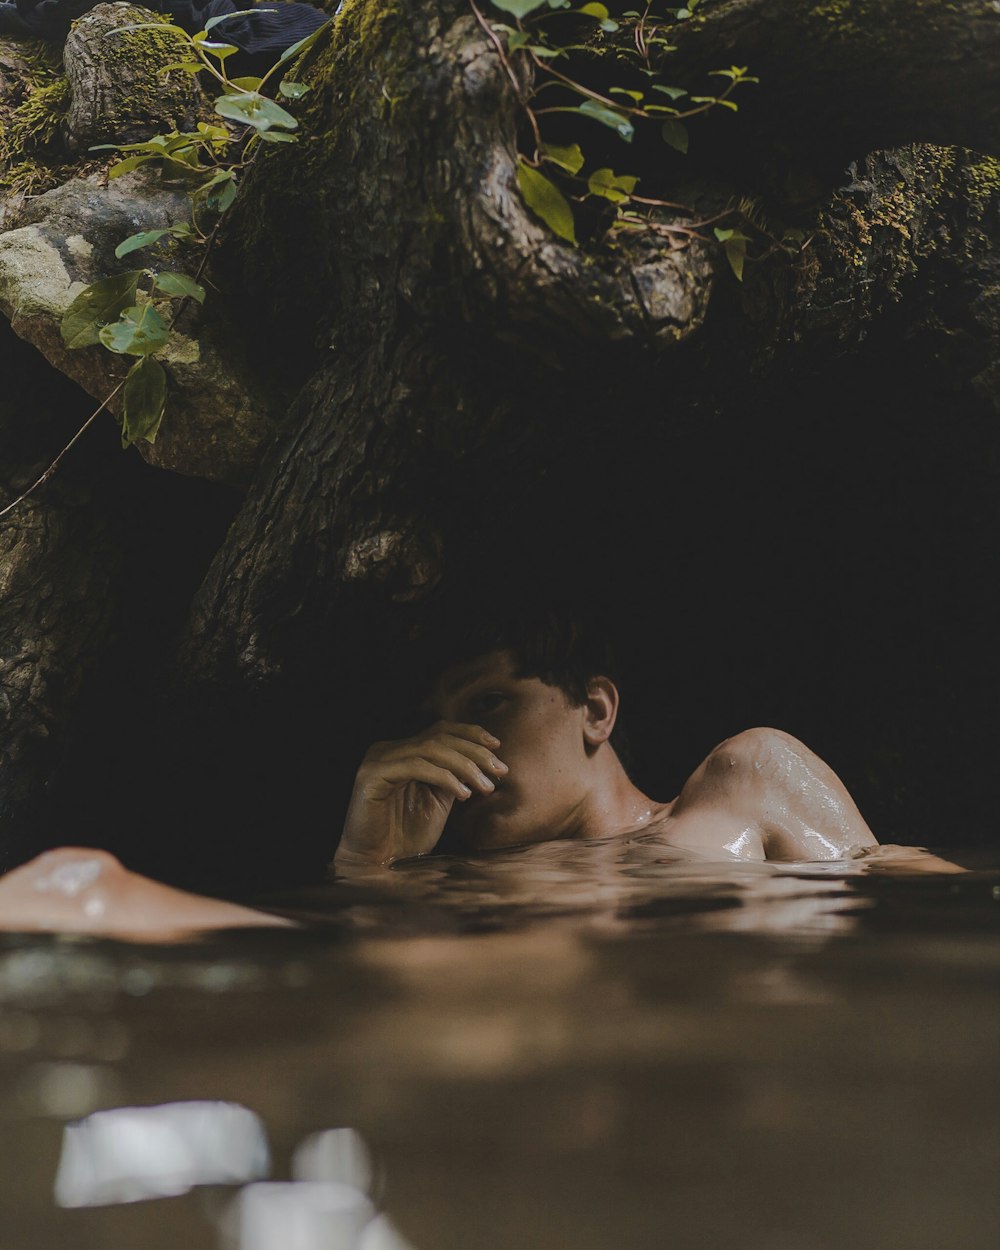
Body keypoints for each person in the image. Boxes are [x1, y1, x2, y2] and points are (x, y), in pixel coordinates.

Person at [334, 638, 884, 870]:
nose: (454, 746)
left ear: (595, 710)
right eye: (435, 727)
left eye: (491, 702)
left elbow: (890, 899)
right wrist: (368, 867)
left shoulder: (742, 785)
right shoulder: (441, 882)